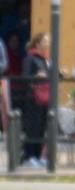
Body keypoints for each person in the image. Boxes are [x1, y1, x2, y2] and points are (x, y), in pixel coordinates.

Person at [20, 33, 50, 168]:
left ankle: (38, 156)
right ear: (38, 43)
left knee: (42, 128)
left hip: (44, 98)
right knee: (33, 128)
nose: (48, 44)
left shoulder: (45, 59)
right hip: (33, 98)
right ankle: (29, 156)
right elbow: (25, 76)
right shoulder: (31, 57)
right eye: (45, 41)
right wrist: (36, 75)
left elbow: (48, 74)